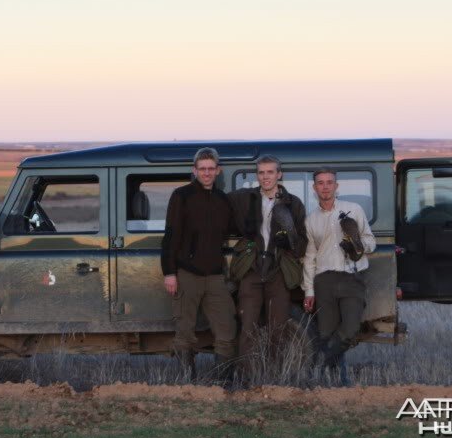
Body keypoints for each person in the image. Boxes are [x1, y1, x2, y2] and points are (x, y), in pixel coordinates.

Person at [161, 147, 237, 380]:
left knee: (226, 330)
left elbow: (233, 230)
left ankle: (222, 383)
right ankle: (187, 383)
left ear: (218, 170)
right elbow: (171, 235)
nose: (206, 173)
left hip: (215, 276)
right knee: (185, 332)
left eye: (211, 169)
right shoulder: (181, 196)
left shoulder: (223, 200)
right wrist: (169, 273)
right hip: (187, 274)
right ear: (194, 171)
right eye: (202, 169)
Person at [228, 155, 307, 368]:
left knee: (278, 328)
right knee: (247, 328)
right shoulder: (244, 199)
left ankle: (274, 380)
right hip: (252, 271)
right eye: (261, 172)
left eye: (270, 172)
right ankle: (247, 379)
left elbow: (302, 244)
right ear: (257, 175)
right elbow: (218, 204)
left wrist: (289, 241)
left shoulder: (293, 204)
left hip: (278, 272)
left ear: (279, 174)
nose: (265, 177)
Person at [302, 168, 376, 373]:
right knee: (326, 331)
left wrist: (359, 246)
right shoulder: (310, 220)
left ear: (336, 186)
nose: (325, 186)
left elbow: (371, 241)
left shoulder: (354, 209)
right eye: (320, 183)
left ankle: (322, 360)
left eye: (329, 182)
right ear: (314, 187)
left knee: (351, 330)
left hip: (352, 277)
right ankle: (336, 377)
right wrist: (309, 291)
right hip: (324, 280)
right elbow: (310, 257)